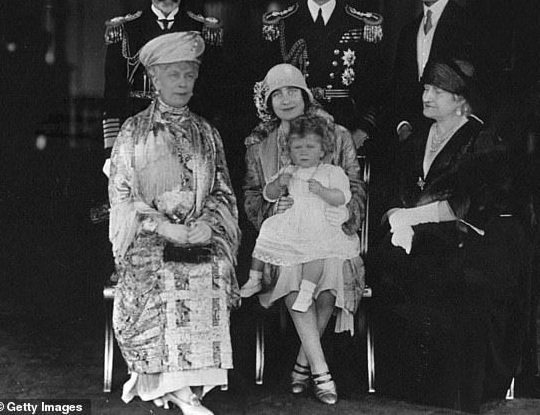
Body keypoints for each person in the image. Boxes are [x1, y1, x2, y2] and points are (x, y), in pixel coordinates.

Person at [371, 58, 529, 413]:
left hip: (469, 238)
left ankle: (446, 388)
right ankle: (406, 381)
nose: (427, 96)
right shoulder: (419, 137)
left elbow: (467, 205)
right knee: (387, 258)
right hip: (421, 232)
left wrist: (410, 217)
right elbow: (401, 188)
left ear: (461, 100)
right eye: (426, 89)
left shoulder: (481, 139)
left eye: (437, 91)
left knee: (452, 276)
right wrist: (398, 214)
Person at [108, 31, 240, 415]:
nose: (182, 84)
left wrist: (209, 226)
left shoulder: (206, 133)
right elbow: (121, 197)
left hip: (197, 232)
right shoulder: (133, 131)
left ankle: (188, 388)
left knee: (213, 266)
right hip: (148, 237)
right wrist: (163, 227)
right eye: (173, 76)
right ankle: (178, 393)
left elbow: (222, 192)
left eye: (189, 76)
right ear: (154, 78)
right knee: (163, 271)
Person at [243, 63, 366, 404]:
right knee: (292, 275)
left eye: (292, 90)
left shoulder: (336, 135)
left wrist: (340, 213)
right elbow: (253, 195)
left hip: (329, 232)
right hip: (286, 238)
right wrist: (271, 208)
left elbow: (355, 187)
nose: (285, 99)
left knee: (329, 276)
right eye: (276, 94)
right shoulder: (260, 146)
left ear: (306, 94)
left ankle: (302, 366)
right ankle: (322, 373)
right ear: (267, 102)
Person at [102, 0, 223, 175]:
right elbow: (113, 96)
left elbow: (212, 97)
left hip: (188, 139)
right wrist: (111, 151)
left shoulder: (202, 30)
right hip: (138, 138)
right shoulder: (127, 31)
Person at [260, 0, 384, 149]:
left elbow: (375, 84)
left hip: (346, 127)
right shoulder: (284, 23)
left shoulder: (359, 23)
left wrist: (363, 129)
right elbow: (266, 84)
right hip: (295, 129)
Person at [241, 114, 359, 314]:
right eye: (297, 148)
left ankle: (307, 290)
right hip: (294, 219)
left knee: (316, 252)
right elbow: (268, 195)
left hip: (319, 221)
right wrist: (278, 184)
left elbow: (342, 197)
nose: (303, 152)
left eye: (310, 147)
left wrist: (323, 192)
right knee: (268, 230)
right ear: (290, 151)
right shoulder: (289, 170)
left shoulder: (331, 171)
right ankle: (255, 278)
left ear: (322, 150)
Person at [387, 0, 492, 142]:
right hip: (412, 138)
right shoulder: (408, 32)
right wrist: (403, 125)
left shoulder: (471, 25)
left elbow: (485, 82)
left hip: (458, 134)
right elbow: (399, 87)